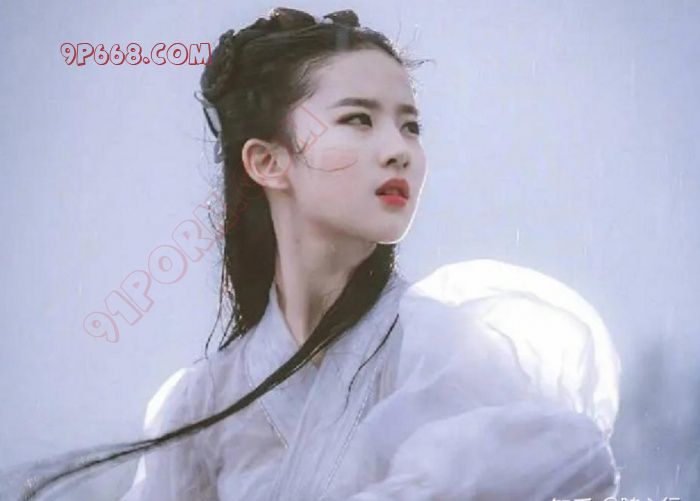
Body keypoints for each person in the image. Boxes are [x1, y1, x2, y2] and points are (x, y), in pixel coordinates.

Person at [1, 7, 621, 500]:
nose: (399, 149)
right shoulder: (204, 402)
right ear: (267, 162)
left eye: (410, 125)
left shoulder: (444, 349)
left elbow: (574, 456)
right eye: (358, 120)